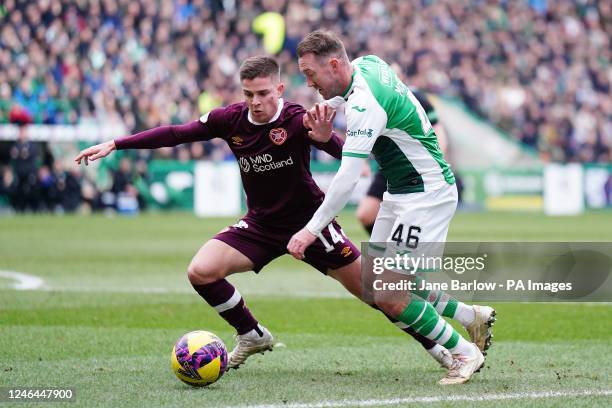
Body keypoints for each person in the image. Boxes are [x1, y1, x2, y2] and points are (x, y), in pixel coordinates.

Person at [74, 56, 453, 372]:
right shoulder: (230, 120)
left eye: (262, 93)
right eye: (248, 94)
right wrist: (116, 143)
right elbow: (177, 133)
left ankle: (442, 349)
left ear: (279, 90)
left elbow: (349, 154)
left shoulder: (299, 119)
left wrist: (326, 139)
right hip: (259, 224)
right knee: (201, 271)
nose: (255, 101)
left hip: (310, 226)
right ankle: (252, 334)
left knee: (377, 293)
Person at [288, 31, 495, 384]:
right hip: (401, 192)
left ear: (334, 64)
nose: (308, 84)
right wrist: (329, 109)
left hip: (426, 196)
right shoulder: (368, 63)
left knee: (390, 293)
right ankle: (468, 315)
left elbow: (347, 178)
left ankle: (464, 352)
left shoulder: (365, 107)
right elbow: (358, 94)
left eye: (311, 74)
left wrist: (310, 231)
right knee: (376, 284)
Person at [356, 89, 448, 235]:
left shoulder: (416, 98)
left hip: (416, 168)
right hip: (388, 167)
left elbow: (438, 129)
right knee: (365, 214)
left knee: (411, 221)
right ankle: (392, 249)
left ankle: (405, 251)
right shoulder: (370, 100)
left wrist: (436, 160)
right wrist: (361, 160)